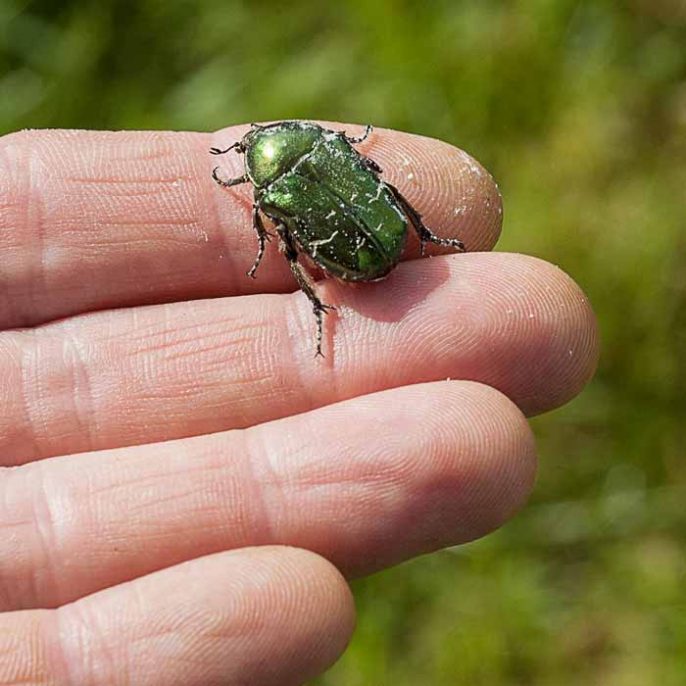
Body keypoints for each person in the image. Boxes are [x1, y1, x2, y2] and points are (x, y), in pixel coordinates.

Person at [0, 123, 598, 685]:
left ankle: (323, 304)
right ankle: (412, 245)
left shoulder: (270, 188)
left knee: (285, 243)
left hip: (360, 260)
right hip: (379, 242)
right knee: (358, 200)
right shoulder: (329, 147)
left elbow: (276, 229)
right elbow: (365, 168)